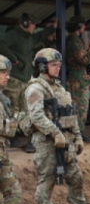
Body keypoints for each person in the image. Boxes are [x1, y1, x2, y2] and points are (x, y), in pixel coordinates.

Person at [25, 48, 90, 204]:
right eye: (53, 65)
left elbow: (70, 114)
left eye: (58, 65)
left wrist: (78, 136)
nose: (57, 68)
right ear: (42, 66)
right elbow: (36, 116)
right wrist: (55, 133)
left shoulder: (59, 88)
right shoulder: (36, 88)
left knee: (76, 179)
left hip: (66, 142)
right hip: (46, 143)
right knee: (46, 182)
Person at [0, 13, 56, 152]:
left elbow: (40, 35)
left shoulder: (29, 37)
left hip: (25, 79)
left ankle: (23, 137)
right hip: (14, 79)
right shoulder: (12, 35)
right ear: (24, 23)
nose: (34, 26)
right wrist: (13, 60)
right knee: (13, 108)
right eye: (33, 23)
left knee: (25, 110)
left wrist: (52, 28)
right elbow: (1, 43)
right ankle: (13, 137)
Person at [0, 55, 34, 204]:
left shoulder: (3, 98)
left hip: (2, 154)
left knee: (14, 192)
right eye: (4, 73)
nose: (7, 77)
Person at [66, 16, 90, 142]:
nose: (84, 27)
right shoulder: (75, 41)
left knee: (80, 107)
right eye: (83, 25)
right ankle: (78, 133)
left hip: (78, 79)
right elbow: (83, 60)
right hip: (77, 79)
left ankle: (79, 132)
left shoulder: (75, 40)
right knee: (80, 107)